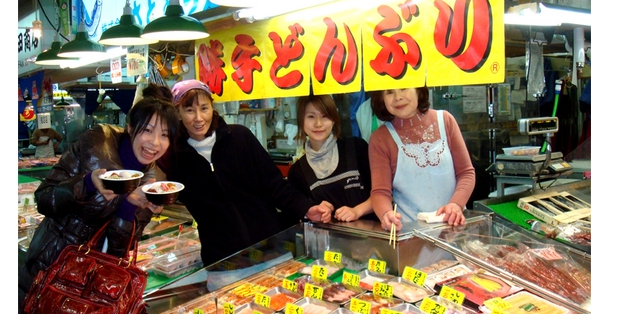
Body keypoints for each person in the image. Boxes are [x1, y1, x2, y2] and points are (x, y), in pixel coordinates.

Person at [18, 96, 182, 314]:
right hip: (52, 283)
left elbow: (120, 251)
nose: (155, 142)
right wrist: (89, 183)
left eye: (165, 135)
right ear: (130, 127)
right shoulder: (95, 145)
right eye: (147, 130)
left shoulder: (155, 181)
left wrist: (129, 208)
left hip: (99, 301)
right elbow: (45, 199)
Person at [164, 80, 332, 267]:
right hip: (223, 262)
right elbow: (162, 193)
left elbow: (274, 185)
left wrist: (306, 208)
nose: (198, 118)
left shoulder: (239, 137)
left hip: (270, 250)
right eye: (189, 110)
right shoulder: (175, 157)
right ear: (178, 112)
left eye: (204, 108)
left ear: (212, 107)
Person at [368, 86, 475, 231]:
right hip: (410, 234)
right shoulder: (380, 138)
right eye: (389, 92)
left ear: (418, 89)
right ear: (381, 98)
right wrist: (386, 214)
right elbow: (380, 192)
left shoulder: (446, 120)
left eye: (404, 88)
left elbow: (466, 173)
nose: (398, 97)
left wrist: (456, 204)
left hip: (454, 228)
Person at [287, 94, 375, 222]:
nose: (318, 124)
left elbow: (383, 193)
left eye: (325, 116)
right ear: (301, 121)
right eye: (311, 117)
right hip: (329, 240)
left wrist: (356, 211)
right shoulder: (297, 172)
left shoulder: (356, 147)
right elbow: (301, 216)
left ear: (334, 120)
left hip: (371, 237)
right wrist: (316, 211)